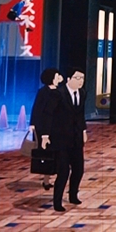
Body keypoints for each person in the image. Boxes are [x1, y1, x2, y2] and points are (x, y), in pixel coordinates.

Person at [48, 70, 88, 211]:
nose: (80, 81)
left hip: (76, 138)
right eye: (77, 78)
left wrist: (83, 130)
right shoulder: (59, 94)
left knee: (79, 169)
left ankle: (73, 195)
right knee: (63, 171)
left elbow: (80, 115)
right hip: (61, 140)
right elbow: (49, 115)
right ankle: (57, 201)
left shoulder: (82, 93)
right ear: (68, 79)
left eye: (82, 78)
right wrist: (46, 135)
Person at [29, 68, 65, 194]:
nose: (59, 77)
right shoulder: (43, 92)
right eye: (57, 76)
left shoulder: (60, 92)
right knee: (46, 154)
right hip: (44, 126)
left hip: (57, 127)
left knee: (55, 154)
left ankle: (52, 177)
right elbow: (37, 108)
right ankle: (46, 179)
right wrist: (32, 124)